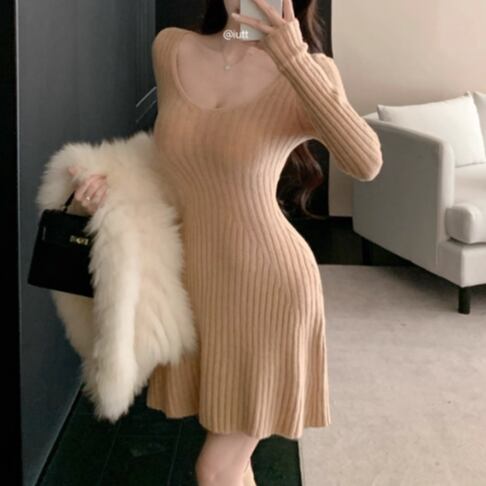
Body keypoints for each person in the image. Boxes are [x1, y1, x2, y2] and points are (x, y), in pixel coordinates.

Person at [69, 0, 383, 484]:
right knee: (234, 466)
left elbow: (365, 162)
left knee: (216, 470)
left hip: (269, 290)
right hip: (198, 290)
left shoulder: (309, 70)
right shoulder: (172, 49)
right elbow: (175, 168)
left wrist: (292, 57)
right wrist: (115, 193)